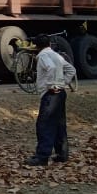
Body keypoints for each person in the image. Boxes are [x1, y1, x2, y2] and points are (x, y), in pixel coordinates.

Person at [25, 34, 76, 166]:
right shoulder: (56, 55)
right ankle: (62, 153)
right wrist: (63, 82)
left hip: (51, 94)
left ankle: (42, 156)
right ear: (49, 44)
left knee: (44, 124)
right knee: (59, 124)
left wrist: (51, 85)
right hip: (61, 93)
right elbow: (71, 69)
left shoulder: (42, 56)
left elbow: (51, 68)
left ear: (37, 46)